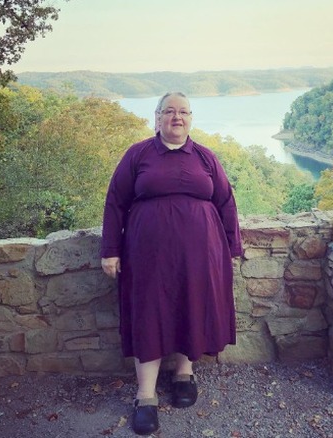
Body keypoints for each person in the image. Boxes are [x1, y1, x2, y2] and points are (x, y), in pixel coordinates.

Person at [100, 91, 243, 435]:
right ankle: (145, 396)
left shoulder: (205, 157)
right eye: (169, 112)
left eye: (183, 112)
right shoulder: (139, 154)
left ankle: (184, 374)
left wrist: (231, 247)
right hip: (147, 257)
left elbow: (226, 201)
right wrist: (110, 249)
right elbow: (115, 201)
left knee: (191, 307)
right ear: (157, 117)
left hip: (200, 256)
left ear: (190, 118)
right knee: (149, 314)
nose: (176, 117)